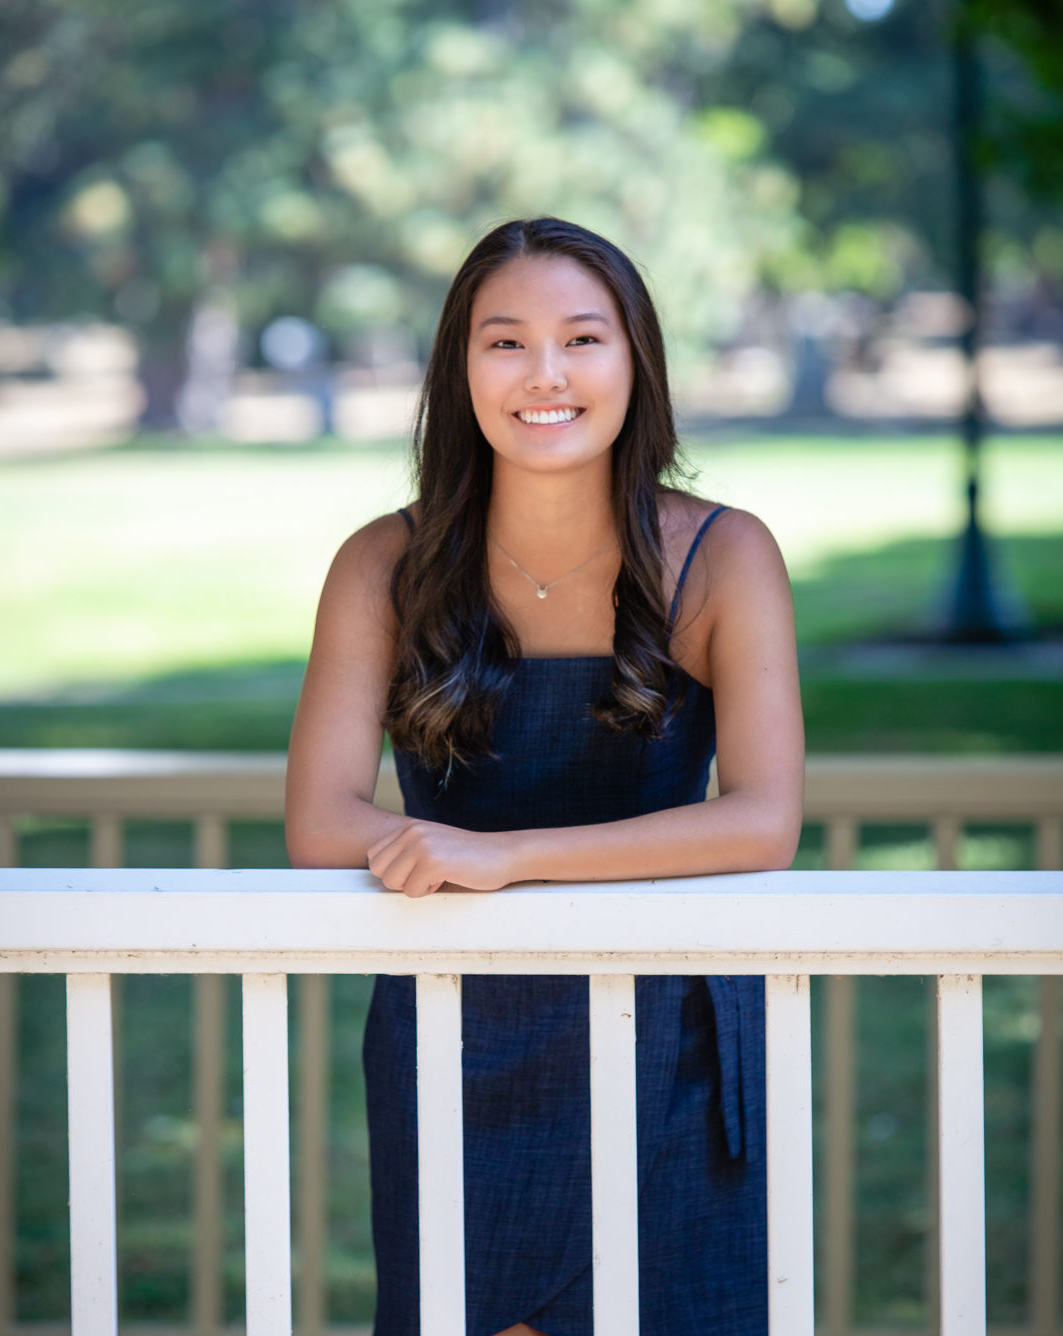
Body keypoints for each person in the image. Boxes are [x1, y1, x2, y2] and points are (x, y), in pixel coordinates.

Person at [285, 217, 804, 1336]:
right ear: (457, 368)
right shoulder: (384, 561)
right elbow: (319, 820)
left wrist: (501, 856)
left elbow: (763, 822)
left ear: (636, 362)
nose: (546, 375)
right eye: (504, 342)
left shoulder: (722, 554)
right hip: (454, 1033)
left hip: (667, 1032)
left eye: (582, 337)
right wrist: (469, 872)